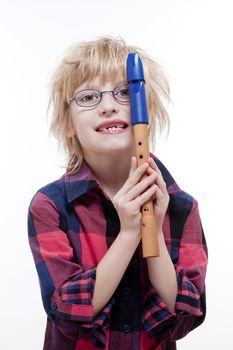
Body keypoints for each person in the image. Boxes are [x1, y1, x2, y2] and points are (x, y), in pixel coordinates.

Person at [28, 36, 208, 350]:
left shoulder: (182, 207)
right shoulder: (49, 206)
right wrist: (128, 233)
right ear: (69, 123)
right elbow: (66, 312)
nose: (108, 105)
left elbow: (185, 316)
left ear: (145, 111)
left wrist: (153, 227)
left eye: (125, 92)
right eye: (88, 97)